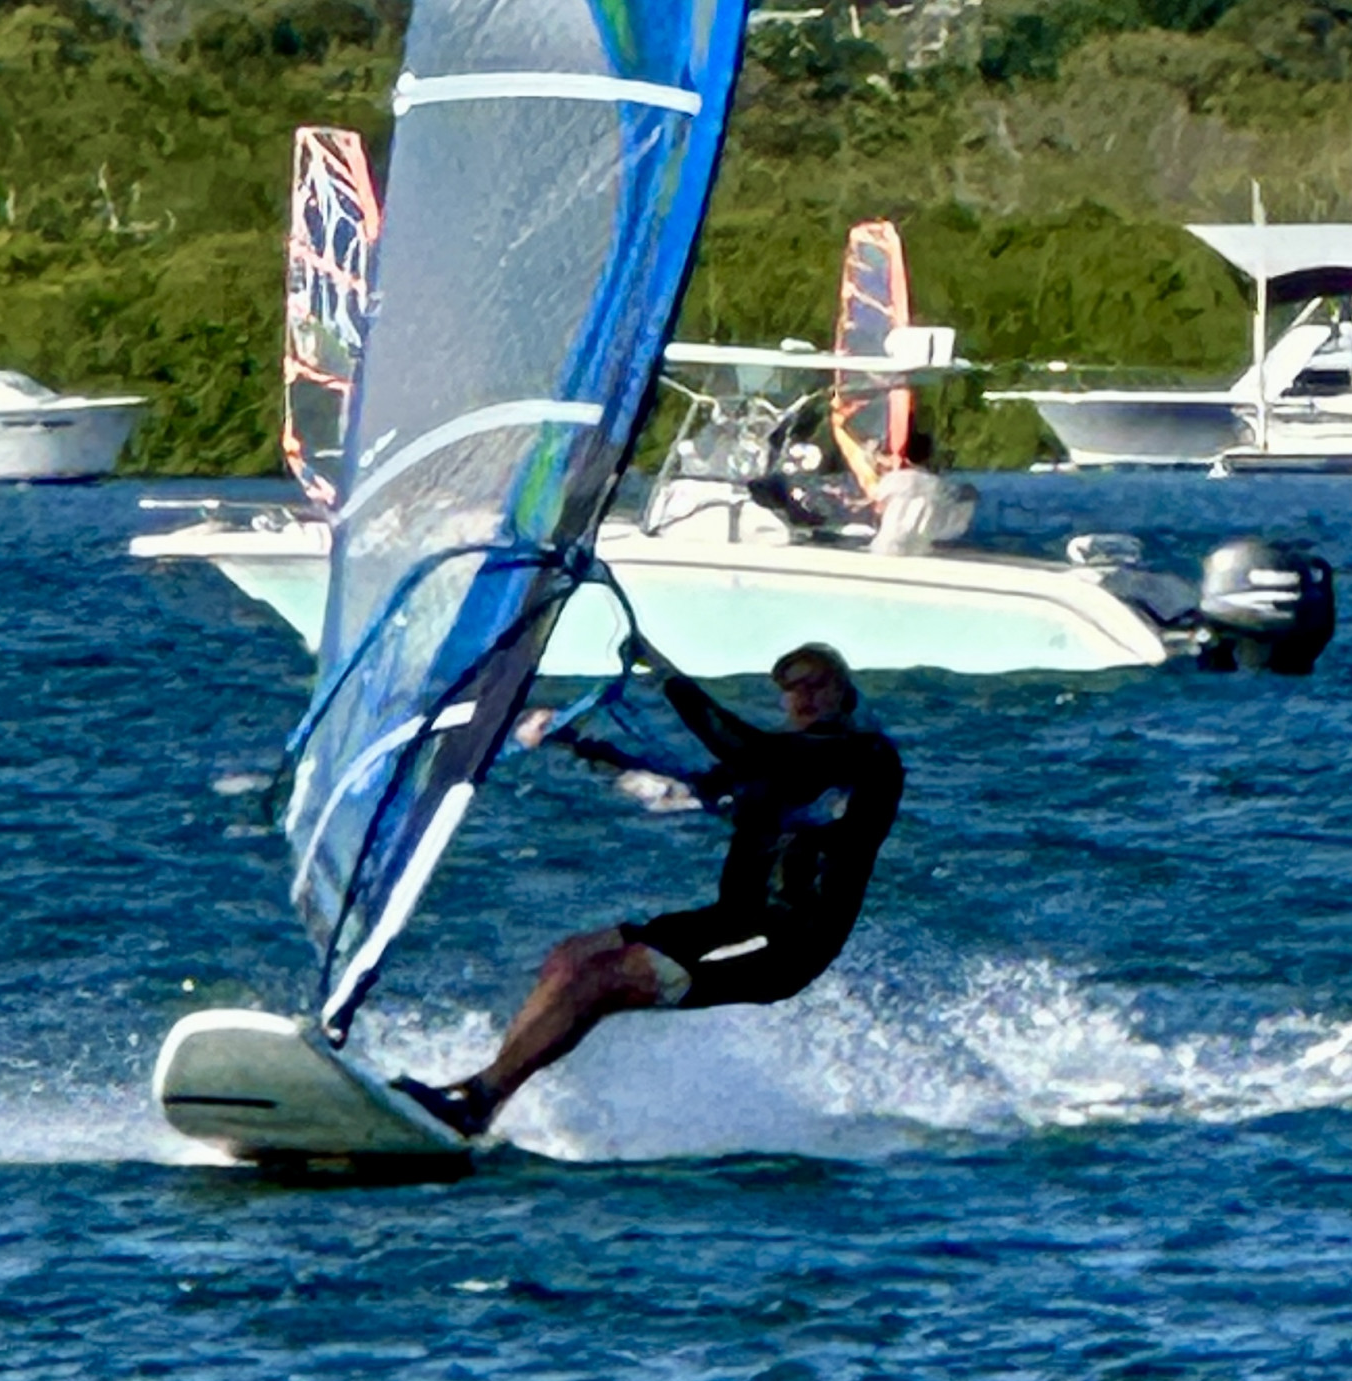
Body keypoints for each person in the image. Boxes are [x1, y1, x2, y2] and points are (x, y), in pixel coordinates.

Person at [397, 640, 904, 1139]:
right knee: (570, 960)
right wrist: (571, 740)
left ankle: (478, 1099)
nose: (806, 696)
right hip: (729, 921)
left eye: (819, 684)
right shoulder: (774, 766)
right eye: (793, 688)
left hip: (783, 941)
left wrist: (663, 673)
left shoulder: (865, 756)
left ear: (843, 691)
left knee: (599, 982)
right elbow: (675, 787)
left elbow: (747, 747)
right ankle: (483, 1099)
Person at [868, 428, 976, 557]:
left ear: (905, 456)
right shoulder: (938, 486)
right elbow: (952, 525)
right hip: (919, 552)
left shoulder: (891, 481)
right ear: (930, 456)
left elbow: (878, 509)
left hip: (883, 548)